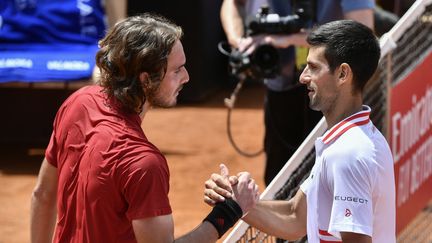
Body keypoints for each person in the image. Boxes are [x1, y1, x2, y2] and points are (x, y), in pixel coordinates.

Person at [30, 13, 259, 243]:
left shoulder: (78, 103)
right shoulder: (143, 163)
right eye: (177, 70)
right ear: (146, 79)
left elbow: (43, 194)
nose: (187, 77)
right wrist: (228, 212)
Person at [205, 20, 396, 242]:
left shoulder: (348, 153)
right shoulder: (351, 140)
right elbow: (296, 218)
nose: (303, 77)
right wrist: (234, 202)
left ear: (343, 74)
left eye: (314, 67)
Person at [220, 0, 376, 185]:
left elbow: (363, 34)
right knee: (278, 178)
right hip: (279, 87)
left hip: (332, 96)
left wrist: (289, 39)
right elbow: (232, 3)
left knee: (330, 178)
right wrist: (238, 41)